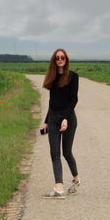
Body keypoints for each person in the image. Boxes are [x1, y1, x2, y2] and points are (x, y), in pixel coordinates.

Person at [40, 48, 80, 199]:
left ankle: (76, 179)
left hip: (68, 117)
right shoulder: (53, 78)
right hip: (53, 119)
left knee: (66, 152)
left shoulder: (73, 77)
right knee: (54, 153)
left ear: (66, 59)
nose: (60, 59)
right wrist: (45, 122)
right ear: (54, 60)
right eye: (57, 58)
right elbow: (52, 102)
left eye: (62, 57)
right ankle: (59, 187)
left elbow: (73, 100)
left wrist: (65, 118)